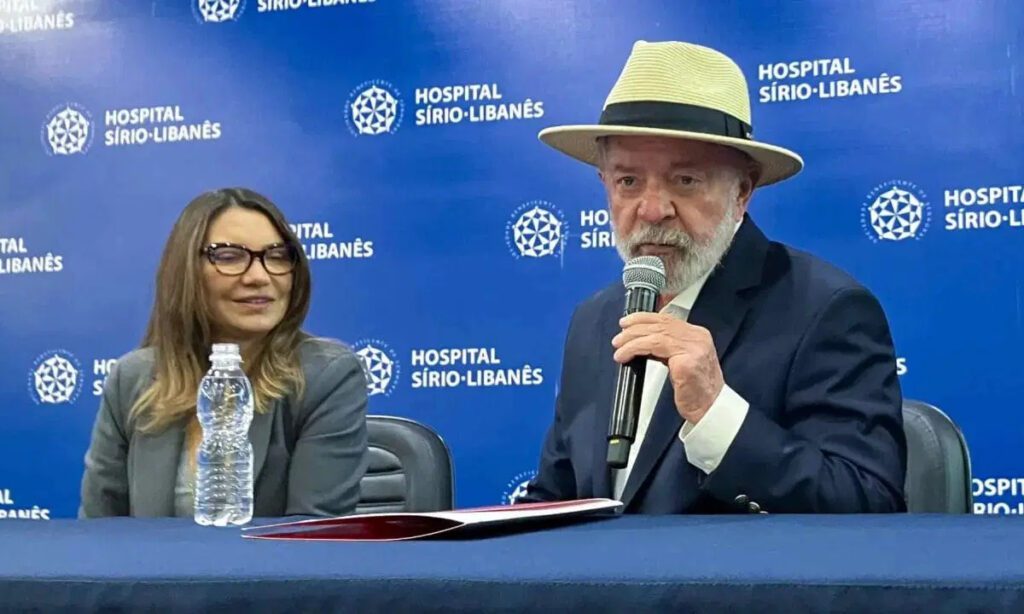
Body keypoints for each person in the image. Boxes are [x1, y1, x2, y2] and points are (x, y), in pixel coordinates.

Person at [520, 41, 907, 513]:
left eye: (685, 180)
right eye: (628, 181)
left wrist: (715, 413)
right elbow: (556, 497)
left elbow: (868, 504)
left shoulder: (826, 310)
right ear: (605, 184)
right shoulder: (594, 318)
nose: (652, 210)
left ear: (742, 192)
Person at [79, 188, 369, 518]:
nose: (259, 276)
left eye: (277, 256)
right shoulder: (132, 378)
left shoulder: (326, 375)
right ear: (185, 271)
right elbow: (98, 529)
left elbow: (311, 532)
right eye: (230, 257)